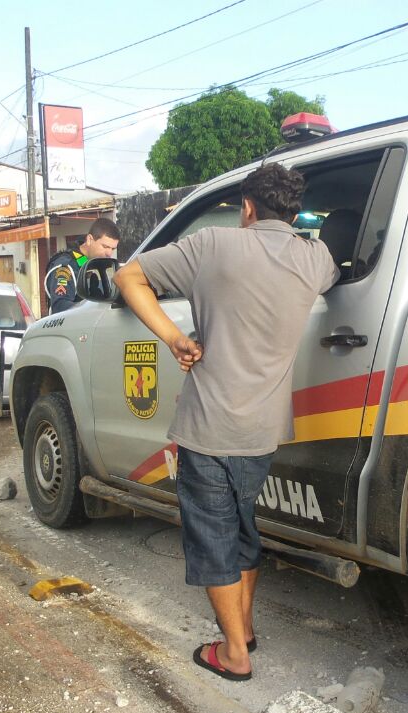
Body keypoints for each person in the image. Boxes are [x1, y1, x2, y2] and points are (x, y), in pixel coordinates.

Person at [114, 163, 338, 681]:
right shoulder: (316, 258)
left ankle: (234, 653)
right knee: (242, 527)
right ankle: (246, 628)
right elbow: (335, 275)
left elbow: (128, 276)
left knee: (212, 535)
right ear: (292, 211)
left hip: (209, 427)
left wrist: (175, 338)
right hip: (263, 432)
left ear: (248, 207)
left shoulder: (212, 245)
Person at [46, 218, 120, 314]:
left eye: (112, 249)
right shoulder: (66, 267)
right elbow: (60, 306)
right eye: (105, 247)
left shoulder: (85, 261)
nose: (109, 253)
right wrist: (92, 311)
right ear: (89, 239)